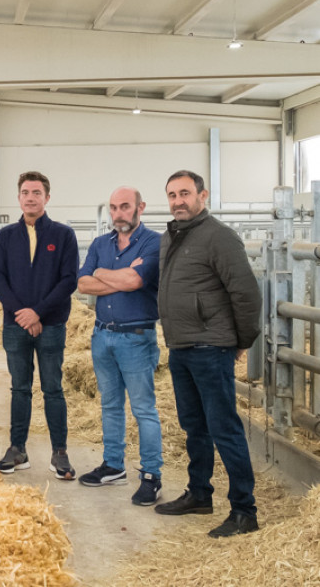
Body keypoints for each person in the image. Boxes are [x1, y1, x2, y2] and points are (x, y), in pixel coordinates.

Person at [154, 170, 262, 538]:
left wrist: (242, 340)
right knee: (194, 427)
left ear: (203, 195)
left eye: (185, 193)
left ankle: (244, 510)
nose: (177, 200)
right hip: (182, 346)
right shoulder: (172, 236)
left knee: (224, 428)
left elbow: (246, 293)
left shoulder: (219, 236)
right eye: (172, 194)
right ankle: (199, 493)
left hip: (210, 347)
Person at [77, 187, 163, 505]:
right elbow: (83, 282)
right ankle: (113, 465)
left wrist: (103, 274)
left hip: (136, 336)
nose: (118, 213)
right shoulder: (101, 244)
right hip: (102, 335)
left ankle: (151, 475)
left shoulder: (154, 242)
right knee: (110, 405)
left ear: (140, 207)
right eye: (113, 207)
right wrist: (115, 274)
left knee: (143, 409)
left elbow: (136, 282)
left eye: (125, 206)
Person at [0, 171, 77, 480]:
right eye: (25, 192)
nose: (30, 197)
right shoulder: (5, 236)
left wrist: (37, 313)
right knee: (19, 388)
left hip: (51, 325)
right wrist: (22, 315)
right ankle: (18, 449)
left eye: (36, 192)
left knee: (53, 388)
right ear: (18, 198)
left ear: (47, 198)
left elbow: (69, 280)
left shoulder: (63, 235)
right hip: (15, 326)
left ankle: (60, 452)